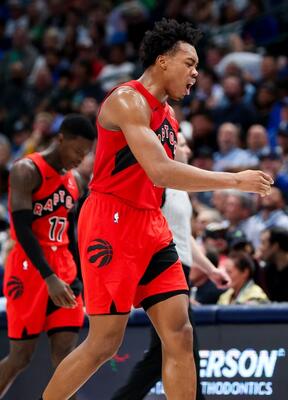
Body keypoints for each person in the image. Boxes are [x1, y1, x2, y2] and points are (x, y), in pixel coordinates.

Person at [43, 19, 272, 400]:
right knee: (104, 343)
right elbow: (161, 171)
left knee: (180, 333)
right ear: (163, 60)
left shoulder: (169, 116)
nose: (196, 73)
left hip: (151, 224)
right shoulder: (126, 100)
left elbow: (167, 180)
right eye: (189, 63)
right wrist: (235, 180)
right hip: (111, 221)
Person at [111, 132, 231, 400]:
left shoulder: (181, 189)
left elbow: (184, 236)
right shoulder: (157, 185)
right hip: (164, 268)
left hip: (180, 270)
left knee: (165, 351)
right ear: (167, 147)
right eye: (183, 145)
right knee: (182, 346)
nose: (188, 150)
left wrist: (210, 270)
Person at [0, 115, 94, 398]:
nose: (80, 159)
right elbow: (22, 229)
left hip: (64, 267)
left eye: (86, 154)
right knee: (20, 357)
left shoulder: (76, 180)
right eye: (77, 151)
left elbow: (72, 234)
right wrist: (48, 276)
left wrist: (79, 276)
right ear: (61, 139)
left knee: (66, 356)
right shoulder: (26, 170)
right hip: (29, 268)